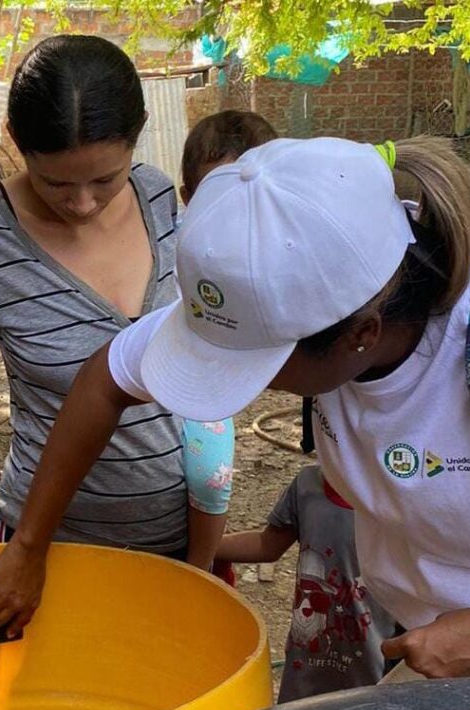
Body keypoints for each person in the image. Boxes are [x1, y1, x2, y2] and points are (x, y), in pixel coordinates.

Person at [0, 134, 470, 681]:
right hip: (437, 642)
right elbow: (104, 379)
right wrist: (29, 545)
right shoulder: (294, 284)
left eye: (257, 367)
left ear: (360, 334)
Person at [0, 35, 231, 574]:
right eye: (56, 182)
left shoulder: (159, 197)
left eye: (106, 179)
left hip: (176, 534)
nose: (83, 203)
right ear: (18, 141)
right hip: (45, 541)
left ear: (137, 139)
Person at [179, 110, 277, 579]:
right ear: (188, 198)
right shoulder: (180, 246)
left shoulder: (278, 246)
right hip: (176, 366)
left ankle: (199, 571)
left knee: (209, 476)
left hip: (210, 383)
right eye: (216, 194)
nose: (234, 209)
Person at [216, 464, 394, 701]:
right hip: (307, 665)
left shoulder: (403, 503)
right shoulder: (307, 486)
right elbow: (267, 545)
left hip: (376, 672)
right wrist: (199, 545)